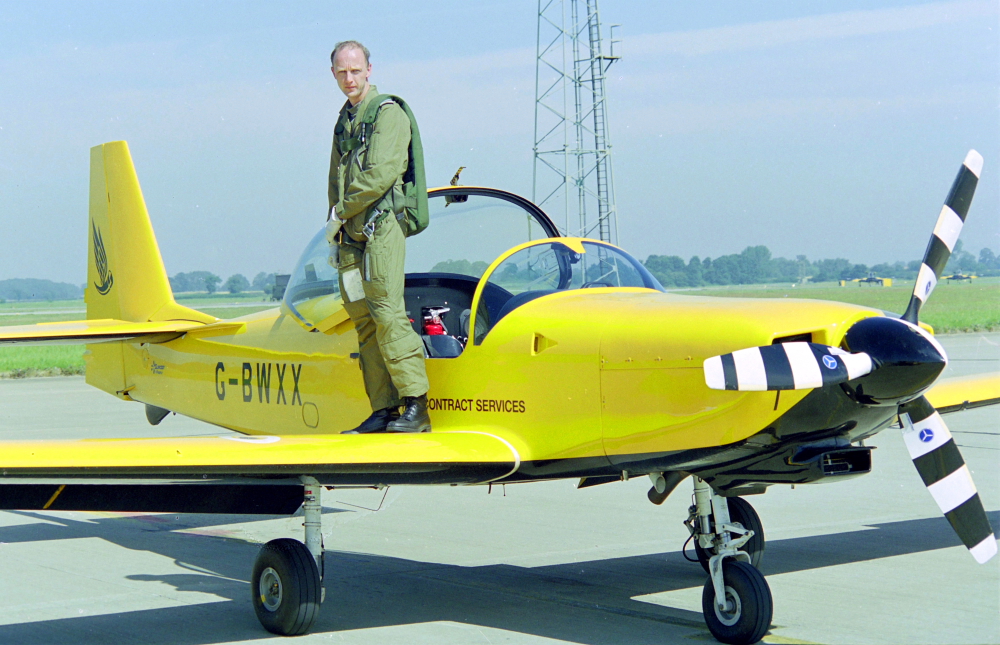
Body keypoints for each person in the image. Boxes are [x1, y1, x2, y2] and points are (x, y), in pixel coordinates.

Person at [326, 40, 431, 434]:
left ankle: (416, 405)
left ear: (370, 70)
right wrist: (335, 218)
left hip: (381, 227)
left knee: (386, 312)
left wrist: (340, 212)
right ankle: (383, 408)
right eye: (342, 72)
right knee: (363, 320)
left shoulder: (389, 115)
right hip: (351, 233)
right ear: (333, 74)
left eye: (356, 71)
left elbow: (382, 174)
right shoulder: (345, 120)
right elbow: (336, 177)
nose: (349, 78)